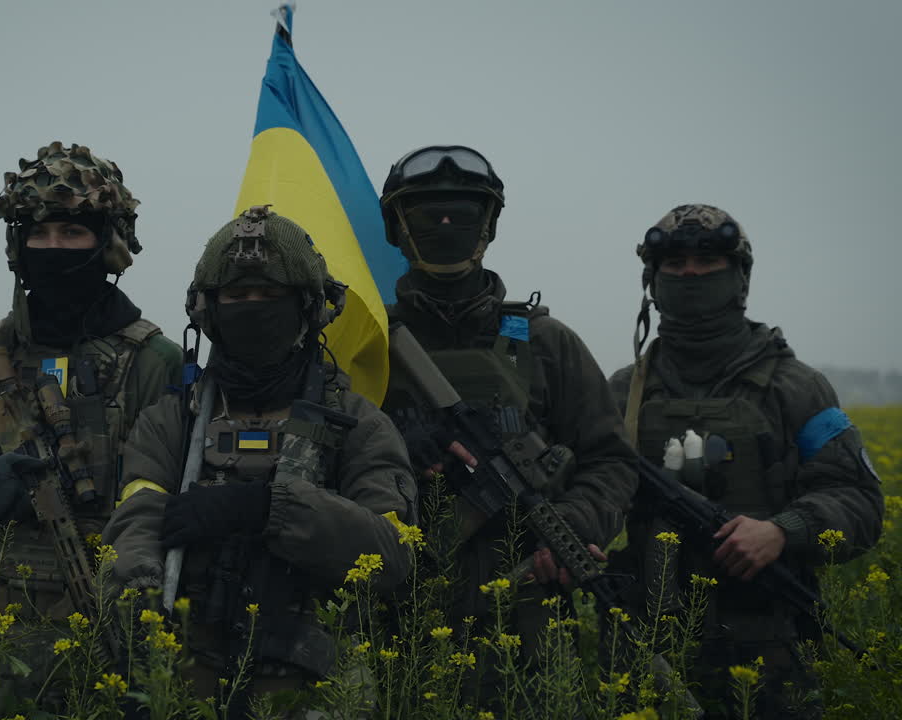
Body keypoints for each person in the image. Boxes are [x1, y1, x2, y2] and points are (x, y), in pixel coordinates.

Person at [0, 141, 181, 715]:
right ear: (16, 246)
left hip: (110, 651)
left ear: (111, 242)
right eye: (38, 235)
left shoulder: (153, 361)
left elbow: (177, 504)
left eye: (72, 233)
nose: (53, 249)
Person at [103, 207, 416, 717]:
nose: (253, 308)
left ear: (309, 309)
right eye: (236, 297)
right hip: (187, 677)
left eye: (271, 297)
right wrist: (140, 598)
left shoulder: (359, 424)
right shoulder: (172, 421)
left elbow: (392, 552)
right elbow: (137, 517)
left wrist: (271, 509)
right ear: (208, 310)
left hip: (314, 685)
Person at [609, 203, 884, 718]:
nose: (690, 272)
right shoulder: (624, 393)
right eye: (675, 263)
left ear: (740, 277)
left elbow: (860, 501)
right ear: (654, 279)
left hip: (773, 651)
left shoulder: (795, 387)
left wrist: (783, 530)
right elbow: (586, 492)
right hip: (650, 651)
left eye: (708, 260)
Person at [377, 145, 637, 672]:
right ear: (397, 227)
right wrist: (395, 446)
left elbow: (610, 461)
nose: (446, 222)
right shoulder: (365, 341)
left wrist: (572, 525)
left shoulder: (547, 342)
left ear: (488, 225)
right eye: (430, 211)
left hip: (528, 620)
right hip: (398, 617)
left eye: (463, 211)